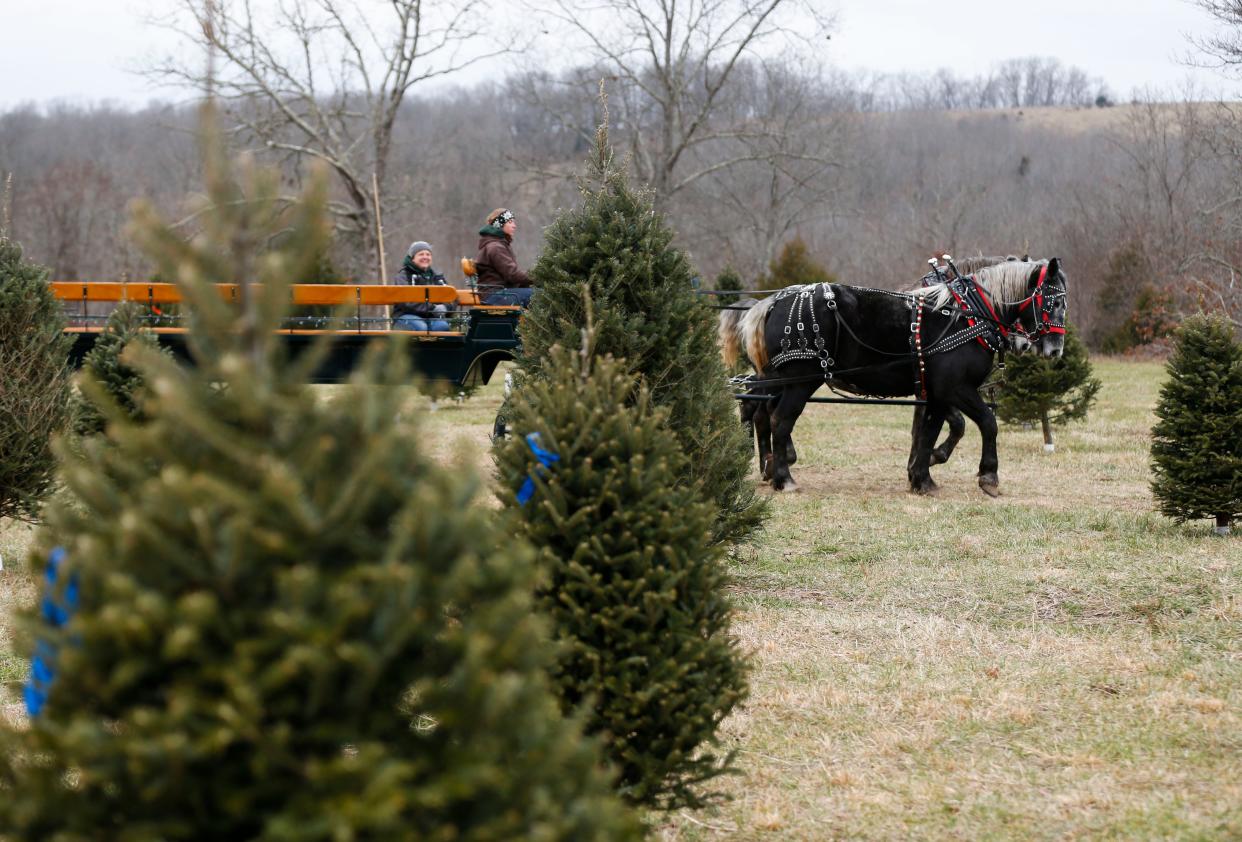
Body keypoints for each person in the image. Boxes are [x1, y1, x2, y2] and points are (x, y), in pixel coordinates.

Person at [475, 208, 533, 306]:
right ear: (499, 225)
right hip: (495, 295)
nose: (514, 226)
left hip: (497, 293)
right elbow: (512, 275)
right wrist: (538, 276)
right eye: (510, 222)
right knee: (542, 296)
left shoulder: (498, 244)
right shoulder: (495, 247)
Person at [393, 240, 453, 331]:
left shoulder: (436, 276)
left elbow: (451, 295)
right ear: (412, 258)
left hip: (431, 317)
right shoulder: (404, 275)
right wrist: (432, 308)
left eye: (428, 254)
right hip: (406, 315)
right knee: (421, 327)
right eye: (421, 254)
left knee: (442, 327)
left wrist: (445, 307)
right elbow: (407, 301)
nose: (425, 257)